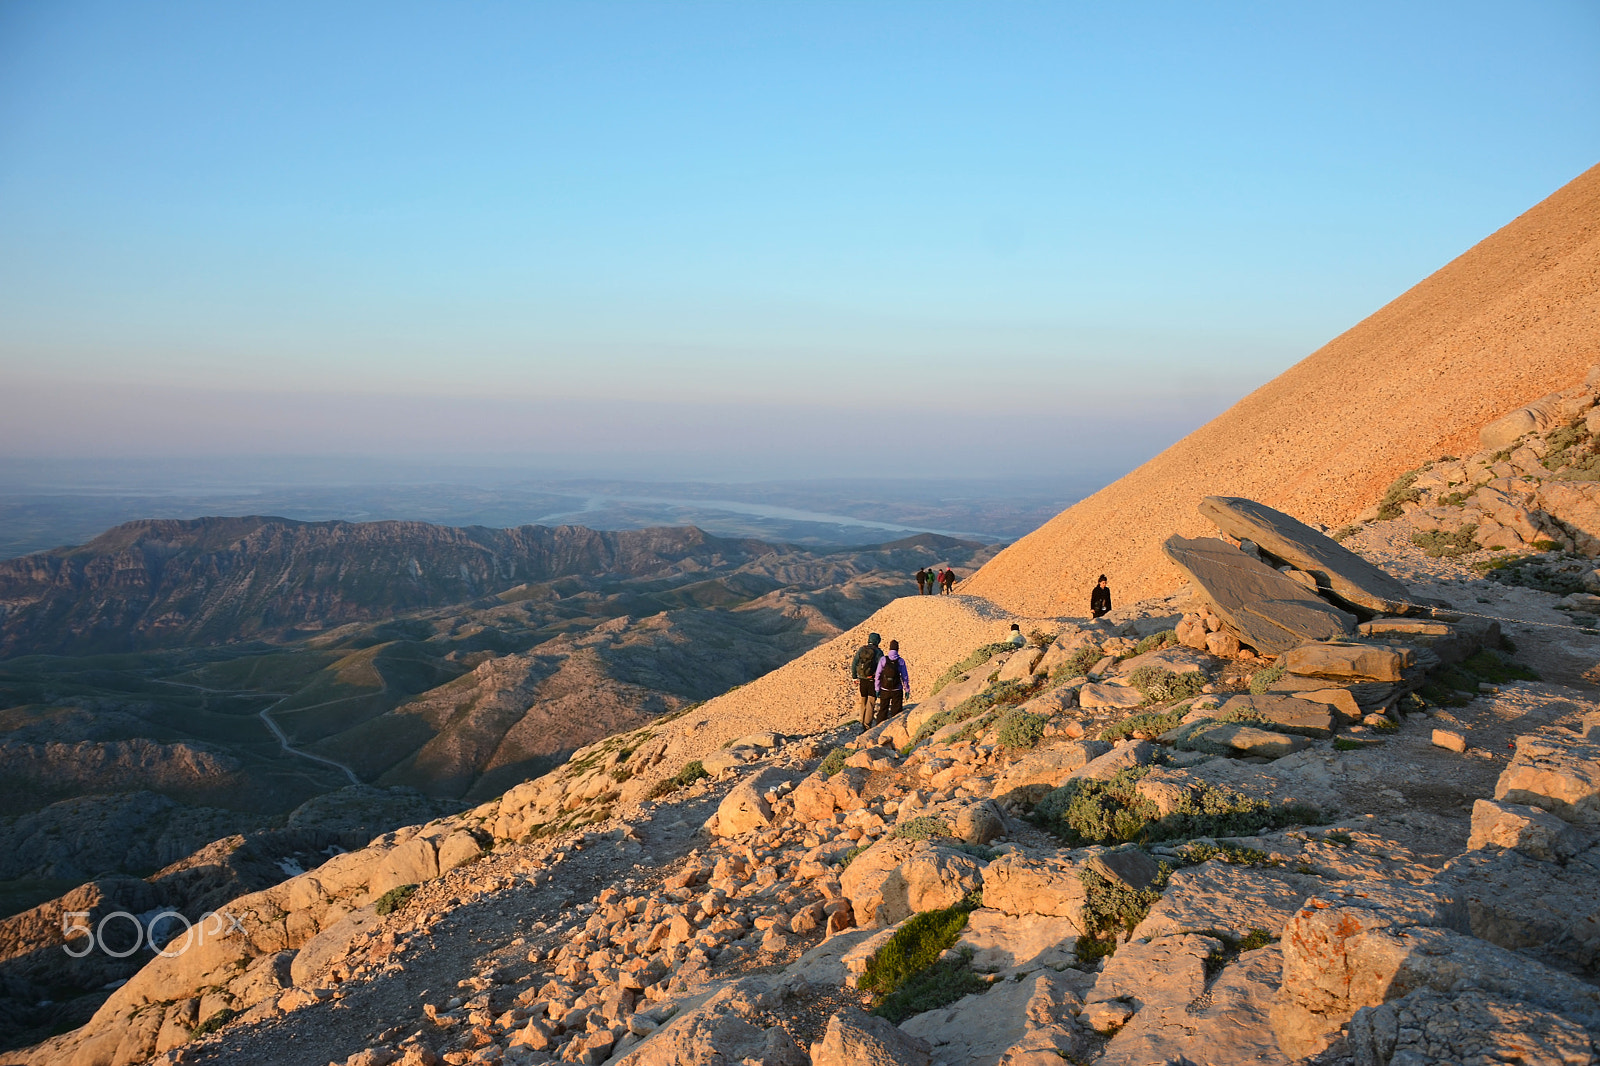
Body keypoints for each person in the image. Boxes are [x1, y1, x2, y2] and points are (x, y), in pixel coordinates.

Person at [849, 633, 884, 730]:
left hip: (862, 679)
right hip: (872, 680)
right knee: (871, 702)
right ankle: (867, 725)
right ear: (877, 641)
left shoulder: (862, 649)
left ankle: (862, 720)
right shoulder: (879, 652)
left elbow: (854, 663)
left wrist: (854, 677)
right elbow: (881, 668)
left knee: (863, 701)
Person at [874, 640, 910, 723]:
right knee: (896, 712)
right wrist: (907, 690)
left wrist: (877, 689)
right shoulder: (901, 661)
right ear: (897, 649)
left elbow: (878, 675)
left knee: (883, 710)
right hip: (897, 690)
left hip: (885, 689)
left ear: (890, 648)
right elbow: (904, 677)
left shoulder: (883, 659)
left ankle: (879, 728)